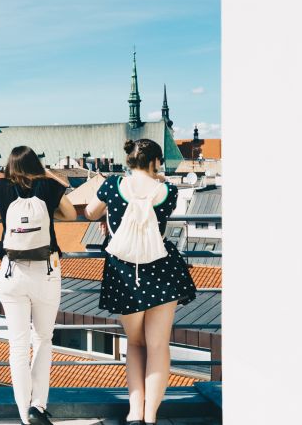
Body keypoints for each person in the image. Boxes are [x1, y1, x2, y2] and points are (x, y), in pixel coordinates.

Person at [83, 139, 197, 425]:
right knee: (158, 345)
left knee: (135, 344)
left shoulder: (113, 185)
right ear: (155, 161)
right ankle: (151, 416)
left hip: (124, 272)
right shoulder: (167, 191)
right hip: (162, 271)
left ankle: (134, 412)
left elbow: (89, 212)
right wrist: (157, 177)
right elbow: (157, 206)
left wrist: (109, 218)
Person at [0, 146, 77, 425]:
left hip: (11, 273)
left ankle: (23, 414)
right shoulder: (47, 186)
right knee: (43, 339)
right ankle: (38, 406)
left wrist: (4, 217)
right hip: (45, 271)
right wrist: (47, 175)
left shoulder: (0, 187)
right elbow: (71, 216)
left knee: (17, 346)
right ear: (36, 165)